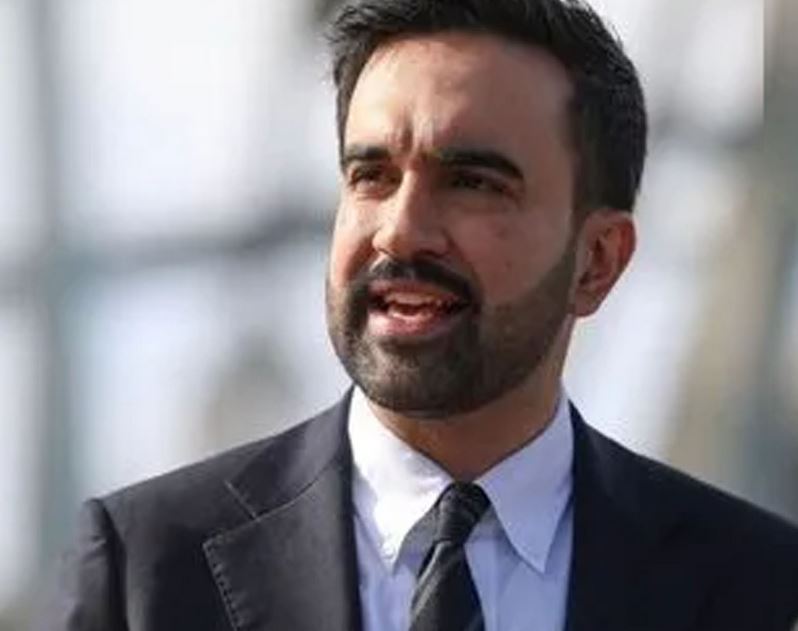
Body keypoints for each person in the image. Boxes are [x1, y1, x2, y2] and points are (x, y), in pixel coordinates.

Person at [40, 0, 798, 630]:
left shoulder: (759, 585)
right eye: (371, 175)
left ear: (597, 260)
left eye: (472, 183)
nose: (400, 232)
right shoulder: (144, 573)